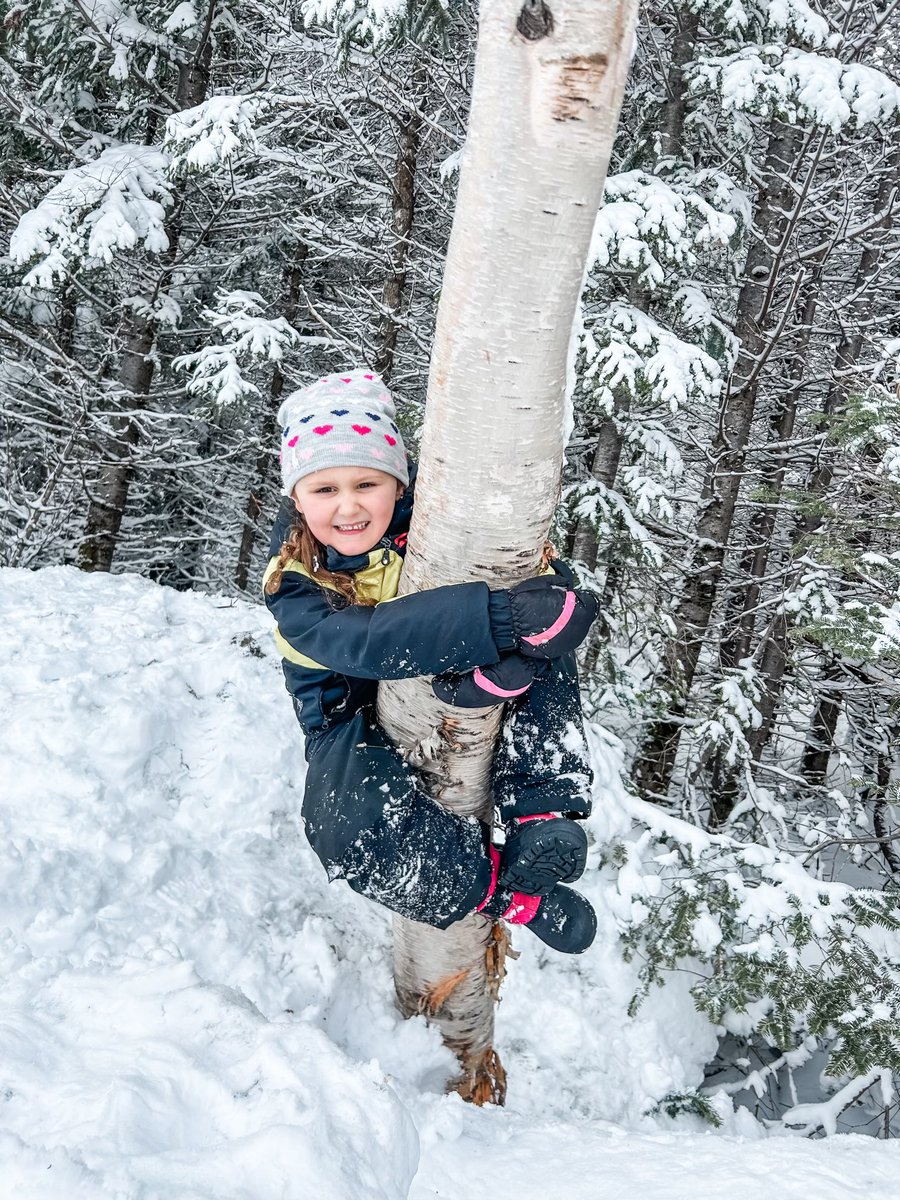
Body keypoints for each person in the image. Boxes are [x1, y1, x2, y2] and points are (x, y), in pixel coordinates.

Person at [263, 369, 599, 953]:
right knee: (340, 825)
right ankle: (509, 894)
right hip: (345, 714)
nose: (348, 506)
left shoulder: (440, 517)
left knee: (544, 660)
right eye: (324, 490)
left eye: (367, 483)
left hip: (449, 656)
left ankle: (542, 813)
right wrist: (500, 620)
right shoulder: (293, 577)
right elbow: (363, 641)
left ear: (399, 482)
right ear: (296, 497)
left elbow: (523, 566)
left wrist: (549, 602)